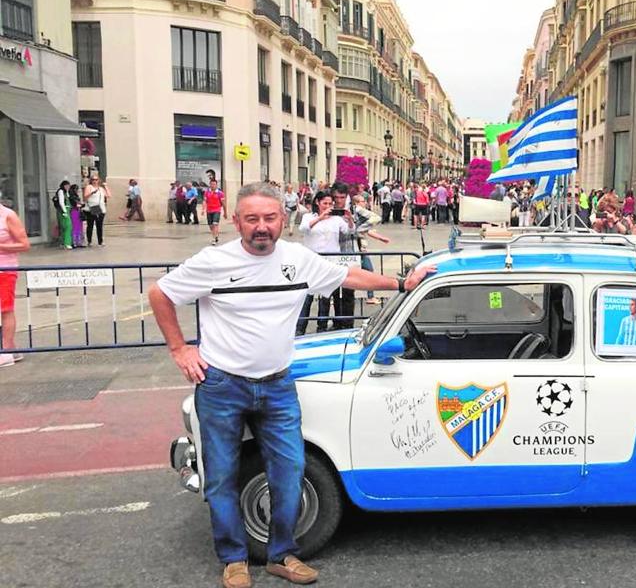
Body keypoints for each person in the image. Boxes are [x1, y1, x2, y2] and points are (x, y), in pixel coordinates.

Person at [148, 182, 434, 588]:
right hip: (222, 386)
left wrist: (402, 284)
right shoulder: (213, 261)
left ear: (282, 220)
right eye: (252, 219)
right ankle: (234, 560)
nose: (261, 227)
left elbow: (348, 277)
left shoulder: (298, 259)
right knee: (222, 476)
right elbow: (161, 293)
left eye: (269, 218)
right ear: (236, 222)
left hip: (278, 384)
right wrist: (180, 349)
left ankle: (282, 554)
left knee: (290, 470)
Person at [295, 189, 352, 335]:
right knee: (307, 295)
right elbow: (304, 228)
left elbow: (348, 231)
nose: (327, 206)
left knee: (326, 296)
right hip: (311, 260)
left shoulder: (336, 219)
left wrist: (349, 218)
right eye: (324, 203)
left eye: (330, 203)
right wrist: (320, 218)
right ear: (317, 203)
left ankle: (322, 327)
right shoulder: (309, 216)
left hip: (331, 260)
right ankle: (300, 328)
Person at [0, 199, 29, 367]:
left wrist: (2, 247)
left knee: (5, 309)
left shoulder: (8, 216)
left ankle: (7, 351)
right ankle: (11, 348)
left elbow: (24, 244)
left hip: (5, 269)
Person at [352, 194, 390, 305]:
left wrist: (381, 238)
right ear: (357, 203)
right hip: (359, 249)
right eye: (363, 201)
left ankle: (370, 296)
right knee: (369, 271)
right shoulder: (359, 211)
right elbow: (373, 220)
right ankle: (370, 296)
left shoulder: (357, 216)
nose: (365, 203)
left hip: (360, 247)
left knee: (362, 271)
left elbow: (365, 230)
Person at [83, 173, 110, 246]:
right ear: (91, 181)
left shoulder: (101, 189)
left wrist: (106, 187)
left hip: (100, 208)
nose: (95, 181)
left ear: (98, 180)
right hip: (92, 207)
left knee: (99, 225)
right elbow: (85, 197)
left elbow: (108, 195)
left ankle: (100, 241)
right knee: (90, 224)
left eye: (96, 179)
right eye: (93, 180)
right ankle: (89, 241)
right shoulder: (89, 187)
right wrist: (92, 193)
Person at [203, 174, 227, 246]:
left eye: (214, 184)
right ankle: (216, 235)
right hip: (209, 211)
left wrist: (225, 212)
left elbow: (223, 203)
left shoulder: (220, 193)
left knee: (215, 224)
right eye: (211, 184)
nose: (213, 185)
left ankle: (214, 239)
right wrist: (203, 209)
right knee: (211, 226)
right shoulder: (207, 192)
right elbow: (204, 201)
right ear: (210, 185)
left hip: (217, 210)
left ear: (216, 185)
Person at [54, 180, 72, 250]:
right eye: (66, 186)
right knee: (68, 226)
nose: (68, 187)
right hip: (63, 210)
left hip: (65, 210)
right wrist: (65, 211)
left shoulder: (65, 192)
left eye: (68, 186)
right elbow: (61, 202)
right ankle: (67, 243)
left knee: (63, 227)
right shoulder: (61, 191)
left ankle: (62, 242)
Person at [69, 184, 85, 248]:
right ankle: (75, 242)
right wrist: (81, 205)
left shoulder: (75, 196)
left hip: (78, 211)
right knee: (75, 228)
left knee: (79, 227)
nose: (77, 190)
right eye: (75, 189)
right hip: (74, 212)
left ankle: (79, 242)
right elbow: (75, 204)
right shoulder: (71, 197)